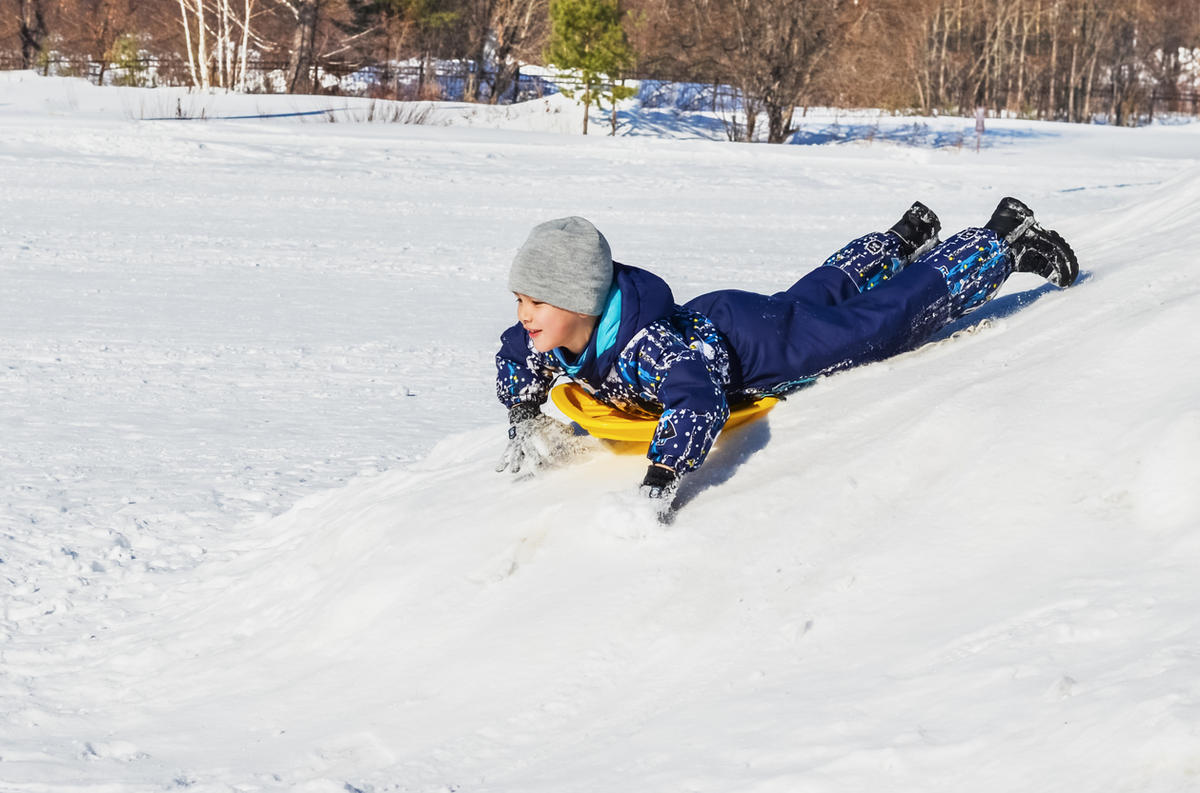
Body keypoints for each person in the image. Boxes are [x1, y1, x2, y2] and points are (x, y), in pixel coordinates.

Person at [494, 199, 1078, 500]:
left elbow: (697, 403)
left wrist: (659, 482)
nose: (524, 316)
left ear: (582, 302)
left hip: (765, 350)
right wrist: (523, 414)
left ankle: (1000, 244)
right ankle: (899, 239)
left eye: (538, 303)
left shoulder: (648, 349)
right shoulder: (553, 334)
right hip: (728, 316)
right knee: (813, 298)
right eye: (521, 298)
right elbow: (514, 353)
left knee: (874, 325)